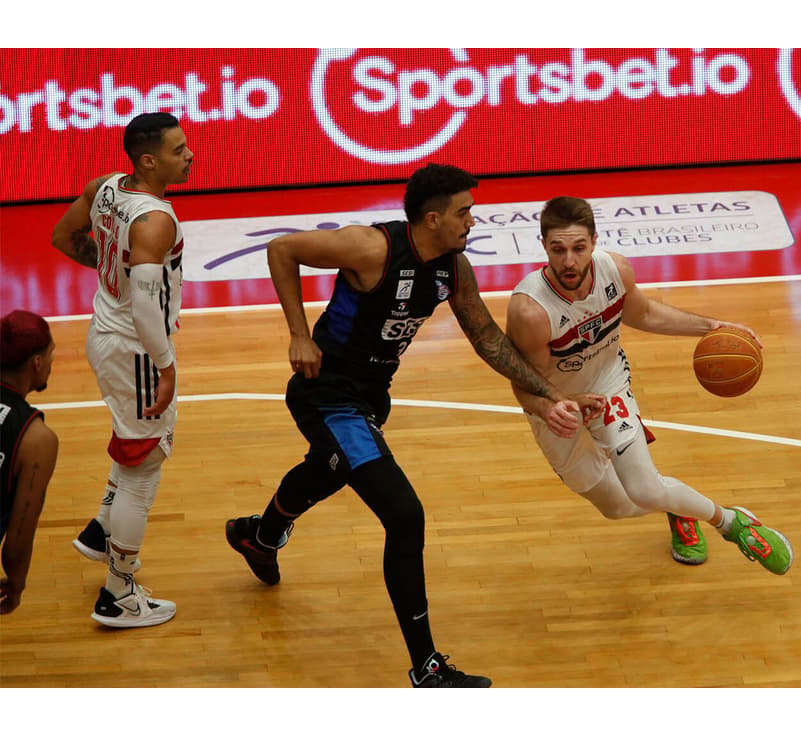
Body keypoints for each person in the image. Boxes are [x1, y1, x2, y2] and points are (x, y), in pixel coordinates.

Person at [225, 164, 603, 688]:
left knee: (327, 469)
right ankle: (427, 668)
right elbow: (282, 249)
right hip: (329, 397)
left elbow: (489, 340)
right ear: (432, 219)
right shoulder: (372, 248)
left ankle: (260, 537)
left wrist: (553, 394)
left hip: (371, 399)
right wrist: (297, 334)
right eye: (463, 212)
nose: (472, 220)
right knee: (405, 515)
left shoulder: (452, 266)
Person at [505, 196, 793, 574]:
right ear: (544, 246)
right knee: (617, 507)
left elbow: (644, 313)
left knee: (645, 489)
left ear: (594, 241)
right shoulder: (531, 311)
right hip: (559, 408)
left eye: (578, 248)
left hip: (609, 386)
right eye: (558, 250)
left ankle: (732, 522)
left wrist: (715, 327)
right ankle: (677, 508)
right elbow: (524, 384)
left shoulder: (614, 271)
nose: (569, 261)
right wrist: (560, 403)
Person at [51, 111, 194, 628]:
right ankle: (119, 592)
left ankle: (98, 532)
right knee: (145, 462)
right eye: (179, 150)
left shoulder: (105, 187)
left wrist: (109, 270)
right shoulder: (154, 219)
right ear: (149, 160)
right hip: (135, 349)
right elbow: (144, 308)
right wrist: (166, 365)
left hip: (104, 335)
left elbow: (63, 238)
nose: (190, 155)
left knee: (130, 441)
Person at [1, 311, 59, 615]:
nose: (52, 364)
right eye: (51, 355)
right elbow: (16, 543)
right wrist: (16, 584)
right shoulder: (37, 440)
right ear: (36, 362)